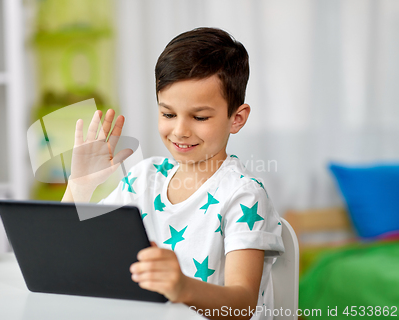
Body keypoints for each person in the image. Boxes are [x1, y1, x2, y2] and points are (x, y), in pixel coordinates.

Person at [62, 27, 284, 320]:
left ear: (237, 118)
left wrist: (182, 288)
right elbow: (66, 249)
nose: (180, 130)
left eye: (200, 117)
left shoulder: (243, 195)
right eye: (168, 114)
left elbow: (241, 305)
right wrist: (79, 184)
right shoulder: (143, 178)